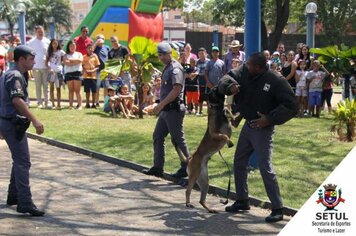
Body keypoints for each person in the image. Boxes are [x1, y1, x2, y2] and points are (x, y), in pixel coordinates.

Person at [223, 52, 298, 223]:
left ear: (258, 67)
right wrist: (239, 116)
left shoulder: (276, 80)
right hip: (248, 127)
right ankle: (242, 200)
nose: (246, 67)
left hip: (263, 130)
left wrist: (269, 119)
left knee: (265, 167)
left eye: (249, 65)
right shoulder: (250, 77)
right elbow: (248, 100)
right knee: (239, 162)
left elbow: (292, 106)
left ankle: (278, 208)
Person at [0, 45, 45, 216]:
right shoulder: (15, 76)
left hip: (8, 122)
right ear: (21, 59)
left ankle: (14, 196)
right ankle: (25, 202)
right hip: (12, 123)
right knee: (23, 162)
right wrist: (35, 120)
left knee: (18, 160)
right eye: (31, 59)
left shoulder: (9, 74)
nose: (34, 61)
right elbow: (17, 101)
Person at [143, 42, 190, 178]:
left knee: (178, 139)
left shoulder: (175, 68)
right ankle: (158, 167)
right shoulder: (167, 67)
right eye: (160, 55)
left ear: (170, 53)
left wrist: (160, 105)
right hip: (165, 110)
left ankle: (188, 167)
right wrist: (158, 105)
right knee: (158, 136)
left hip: (173, 110)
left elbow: (176, 89)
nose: (161, 57)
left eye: (164, 54)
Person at [27, 25, 50, 108]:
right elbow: (29, 55)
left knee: (46, 85)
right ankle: (39, 102)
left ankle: (47, 102)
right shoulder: (31, 42)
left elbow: (50, 54)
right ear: (35, 32)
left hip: (46, 67)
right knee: (38, 85)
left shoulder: (47, 41)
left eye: (42, 31)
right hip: (35, 67)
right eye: (39, 32)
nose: (41, 33)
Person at [63, 41, 83, 110]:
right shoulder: (65, 55)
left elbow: (80, 60)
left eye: (74, 46)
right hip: (69, 73)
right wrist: (75, 62)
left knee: (77, 91)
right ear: (68, 47)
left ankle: (80, 105)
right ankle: (70, 105)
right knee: (71, 90)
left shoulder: (79, 54)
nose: (72, 47)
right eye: (71, 46)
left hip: (77, 73)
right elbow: (66, 63)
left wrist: (71, 60)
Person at [46, 39, 65, 109]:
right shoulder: (49, 52)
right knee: (51, 88)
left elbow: (64, 60)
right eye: (53, 43)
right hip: (51, 72)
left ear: (58, 44)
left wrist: (60, 67)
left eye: (56, 43)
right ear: (51, 44)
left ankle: (59, 104)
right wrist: (49, 68)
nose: (54, 45)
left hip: (58, 71)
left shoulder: (61, 52)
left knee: (58, 88)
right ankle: (53, 103)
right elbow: (46, 62)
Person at [82, 43, 100, 109]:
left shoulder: (95, 56)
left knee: (94, 91)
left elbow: (97, 66)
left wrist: (92, 71)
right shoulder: (84, 57)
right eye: (89, 48)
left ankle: (94, 104)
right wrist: (86, 70)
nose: (90, 49)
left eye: (91, 48)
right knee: (87, 91)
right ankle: (87, 103)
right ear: (86, 49)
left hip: (93, 76)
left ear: (93, 49)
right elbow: (82, 65)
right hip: (86, 76)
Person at [94, 34, 109, 107]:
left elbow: (108, 57)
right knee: (97, 87)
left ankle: (105, 102)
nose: (100, 39)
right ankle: (96, 102)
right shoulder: (95, 47)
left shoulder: (107, 47)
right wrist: (96, 43)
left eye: (102, 38)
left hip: (105, 70)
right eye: (99, 38)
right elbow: (91, 52)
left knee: (106, 87)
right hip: (98, 70)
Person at [195, 47, 209, 115]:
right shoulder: (197, 62)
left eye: (202, 53)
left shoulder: (209, 61)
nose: (201, 55)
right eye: (200, 54)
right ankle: (200, 111)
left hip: (207, 82)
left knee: (208, 97)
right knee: (200, 97)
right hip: (200, 82)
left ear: (206, 54)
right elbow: (197, 71)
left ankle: (209, 111)